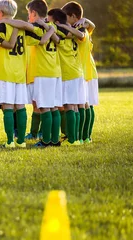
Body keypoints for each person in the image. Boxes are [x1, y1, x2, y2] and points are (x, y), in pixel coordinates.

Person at [2, 0, 61, 147]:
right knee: (53, 107)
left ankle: (46, 140)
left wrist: (5, 21)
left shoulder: (37, 27)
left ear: (34, 13)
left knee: (45, 107)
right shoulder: (52, 26)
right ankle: (55, 139)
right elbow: (58, 40)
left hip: (43, 71)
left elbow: (33, 33)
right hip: (55, 70)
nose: (28, 17)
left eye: (29, 14)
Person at [0, 0, 47, 148]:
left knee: (7, 107)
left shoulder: (1, 26)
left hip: (5, 72)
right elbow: (39, 34)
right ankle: (21, 141)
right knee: (20, 107)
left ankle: (10, 142)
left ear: (0, 13)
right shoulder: (21, 27)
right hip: (20, 73)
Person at [48, 8, 86, 145]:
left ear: (57, 22)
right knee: (74, 106)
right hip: (77, 72)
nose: (48, 23)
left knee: (70, 105)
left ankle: (72, 139)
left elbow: (55, 38)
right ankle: (76, 138)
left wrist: (51, 27)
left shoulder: (63, 36)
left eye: (50, 21)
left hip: (68, 74)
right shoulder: (73, 33)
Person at [63, 1, 98, 143]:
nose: (66, 21)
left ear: (73, 16)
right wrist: (86, 21)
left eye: (67, 17)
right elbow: (92, 26)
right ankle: (85, 136)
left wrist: (65, 26)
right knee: (86, 104)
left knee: (84, 104)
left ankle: (84, 136)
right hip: (87, 69)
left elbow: (84, 33)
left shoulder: (81, 29)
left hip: (85, 70)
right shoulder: (83, 27)